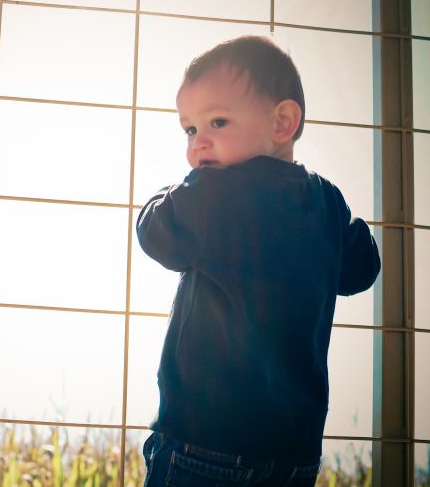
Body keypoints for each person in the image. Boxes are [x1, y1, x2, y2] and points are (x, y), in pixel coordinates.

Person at [136, 35, 380, 486]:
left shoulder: (212, 192)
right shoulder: (325, 200)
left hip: (204, 443)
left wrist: (169, 192)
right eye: (190, 130)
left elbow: (157, 236)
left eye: (217, 122)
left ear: (283, 121)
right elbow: (359, 270)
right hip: (294, 455)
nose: (197, 144)